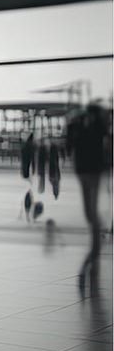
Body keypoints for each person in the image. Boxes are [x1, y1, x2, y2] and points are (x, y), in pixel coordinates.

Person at [66, 104, 112, 294]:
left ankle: (90, 261)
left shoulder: (81, 129)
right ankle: (91, 261)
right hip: (92, 173)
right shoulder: (96, 128)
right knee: (93, 219)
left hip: (86, 173)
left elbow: (70, 146)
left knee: (92, 217)